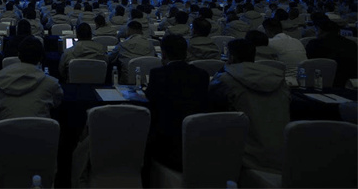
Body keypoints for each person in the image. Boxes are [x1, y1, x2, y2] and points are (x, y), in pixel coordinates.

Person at [208, 39, 290, 172]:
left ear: (231, 57)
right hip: (285, 154)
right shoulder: (278, 78)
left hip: (248, 157)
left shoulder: (226, 79)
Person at [145, 35, 209, 171]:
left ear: (163, 54)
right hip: (197, 139)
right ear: (186, 53)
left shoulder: (157, 74)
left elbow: (151, 101)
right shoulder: (202, 75)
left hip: (165, 142)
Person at [0, 37, 63, 120]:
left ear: (18, 55)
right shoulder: (51, 83)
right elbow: (57, 101)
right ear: (41, 57)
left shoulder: (0, 79)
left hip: (5, 127)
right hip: (39, 127)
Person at [306, 20, 357, 87]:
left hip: (322, 83)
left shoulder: (314, 44)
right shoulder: (352, 44)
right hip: (350, 84)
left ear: (320, 31)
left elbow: (309, 64)